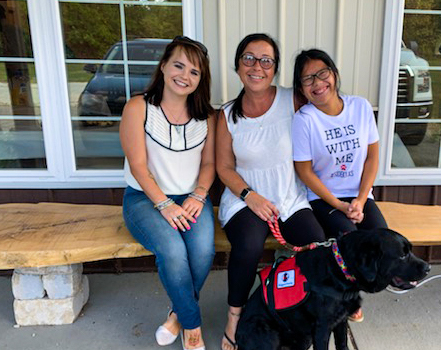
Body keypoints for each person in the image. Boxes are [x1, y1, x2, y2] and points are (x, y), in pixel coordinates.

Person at [216, 34, 325, 350]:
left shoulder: (292, 100)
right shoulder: (226, 114)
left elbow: (329, 114)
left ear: (275, 68)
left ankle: (302, 311)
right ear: (238, 65)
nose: (257, 67)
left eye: (266, 60)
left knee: (315, 245)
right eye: (249, 58)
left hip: (289, 197)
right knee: (248, 247)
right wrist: (251, 196)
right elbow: (224, 168)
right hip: (245, 199)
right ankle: (235, 316)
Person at [120, 36, 215, 350]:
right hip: (145, 199)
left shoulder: (207, 117)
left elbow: (209, 163)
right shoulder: (138, 107)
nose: (184, 76)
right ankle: (192, 326)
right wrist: (163, 204)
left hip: (191, 199)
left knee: (202, 252)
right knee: (174, 253)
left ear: (201, 80)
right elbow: (138, 165)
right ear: (163, 66)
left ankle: (175, 315)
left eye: (194, 72)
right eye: (178, 65)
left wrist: (198, 196)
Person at [291, 48, 388, 323]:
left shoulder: (360, 107)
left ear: (334, 74)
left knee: (384, 239)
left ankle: (353, 289)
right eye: (308, 79)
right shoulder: (304, 120)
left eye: (322, 73)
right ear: (301, 88)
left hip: (358, 195)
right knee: (349, 241)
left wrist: (360, 199)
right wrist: (339, 205)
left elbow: (372, 157)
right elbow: (304, 171)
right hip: (324, 199)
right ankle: (348, 299)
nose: (317, 83)